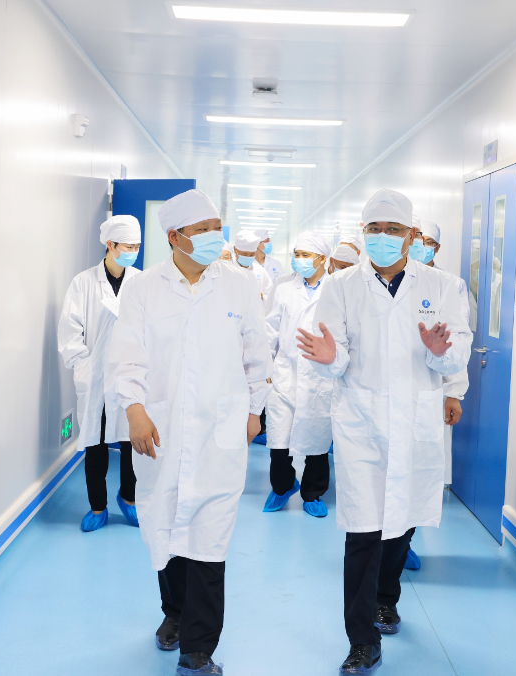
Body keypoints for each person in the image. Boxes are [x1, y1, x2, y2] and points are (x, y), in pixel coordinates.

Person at [296, 188, 471, 676]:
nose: (383, 237)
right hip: (362, 423)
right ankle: (361, 641)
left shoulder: (442, 286)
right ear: (364, 233)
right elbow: (334, 355)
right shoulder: (341, 286)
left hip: (414, 422)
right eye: (374, 229)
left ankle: (385, 599)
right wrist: (332, 359)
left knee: (401, 522)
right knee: (363, 530)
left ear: (411, 236)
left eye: (393, 230)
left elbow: (456, 354)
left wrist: (441, 353)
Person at [108, 189, 272, 676]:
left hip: (221, 430)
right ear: (175, 237)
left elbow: (257, 354)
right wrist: (135, 409)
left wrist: (255, 410)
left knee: (210, 535)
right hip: (161, 427)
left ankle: (198, 648)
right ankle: (174, 614)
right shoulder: (144, 288)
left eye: (216, 227)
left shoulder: (238, 284)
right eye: (202, 230)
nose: (213, 237)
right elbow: (126, 355)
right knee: (165, 520)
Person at [57, 215, 142, 532]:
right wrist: (84, 367)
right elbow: (69, 331)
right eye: (127, 246)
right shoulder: (83, 283)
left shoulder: (141, 282)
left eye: (136, 246)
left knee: (132, 443)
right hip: (95, 377)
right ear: (110, 244)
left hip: (130, 375)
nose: (132, 252)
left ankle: (129, 499)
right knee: (95, 445)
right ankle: (97, 507)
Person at [263, 231, 335, 518]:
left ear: (322, 258)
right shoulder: (284, 288)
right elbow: (270, 328)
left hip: (321, 375)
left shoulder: (336, 289)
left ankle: (313, 493)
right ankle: (282, 486)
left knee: (317, 439)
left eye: (305, 255)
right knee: (278, 440)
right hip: (285, 372)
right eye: (297, 254)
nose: (298, 259)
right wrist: (265, 367)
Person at [233, 229, 274, 300]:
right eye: (244, 254)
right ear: (235, 249)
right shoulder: (227, 269)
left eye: (252, 254)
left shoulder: (260, 271)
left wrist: (262, 296)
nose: (248, 257)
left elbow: (271, 296)